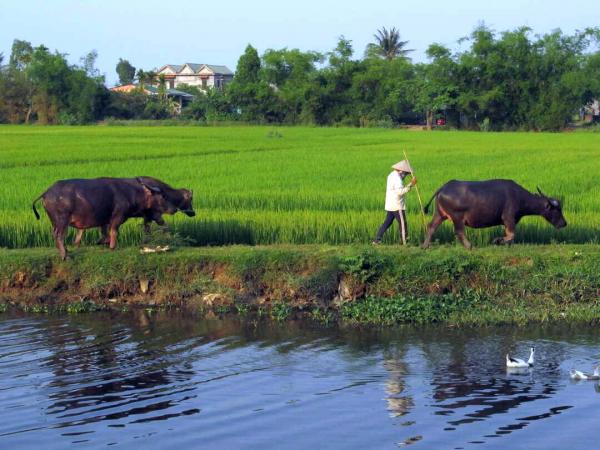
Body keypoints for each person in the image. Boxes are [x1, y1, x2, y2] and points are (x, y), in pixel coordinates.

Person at [373, 160, 417, 245]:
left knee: (387, 222)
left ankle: (377, 240)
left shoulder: (391, 175)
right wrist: (411, 185)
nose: (405, 176)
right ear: (402, 171)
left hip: (390, 204)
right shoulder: (397, 179)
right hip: (397, 205)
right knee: (403, 223)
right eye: (406, 173)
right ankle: (404, 242)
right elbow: (400, 192)